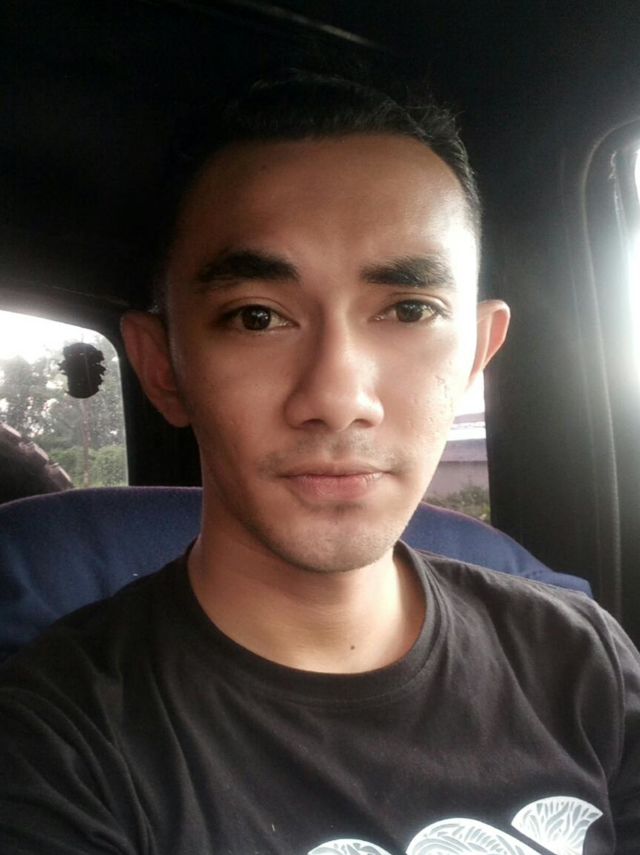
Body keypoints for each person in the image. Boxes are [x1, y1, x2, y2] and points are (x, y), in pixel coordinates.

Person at [1, 71, 638, 854]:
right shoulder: (55, 746)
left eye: (409, 309)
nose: (338, 397)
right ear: (162, 366)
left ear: (478, 351)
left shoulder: (581, 659)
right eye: (257, 317)